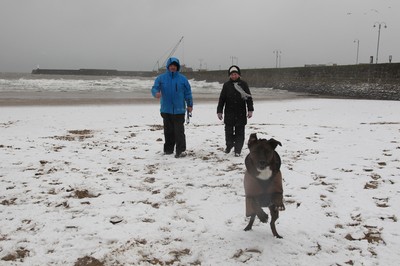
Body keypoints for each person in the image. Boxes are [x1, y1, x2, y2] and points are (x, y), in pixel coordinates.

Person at [151, 57, 193, 158]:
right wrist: (156, 93)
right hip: (166, 109)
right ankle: (168, 150)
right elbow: (154, 88)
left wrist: (190, 105)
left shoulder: (183, 79)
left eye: (174, 66)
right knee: (168, 131)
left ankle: (181, 150)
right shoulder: (161, 78)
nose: (173, 67)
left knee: (179, 131)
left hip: (179, 110)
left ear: (177, 67)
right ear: (168, 67)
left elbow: (188, 93)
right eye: (171, 66)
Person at [217, 65, 254, 157]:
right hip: (229, 112)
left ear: (238, 75)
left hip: (240, 112)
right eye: (232, 74)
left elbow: (249, 98)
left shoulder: (244, 84)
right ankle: (229, 146)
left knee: (240, 132)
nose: (233, 76)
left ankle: (238, 150)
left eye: (235, 74)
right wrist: (219, 111)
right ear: (229, 75)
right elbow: (222, 99)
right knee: (228, 132)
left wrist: (250, 110)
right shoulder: (226, 85)